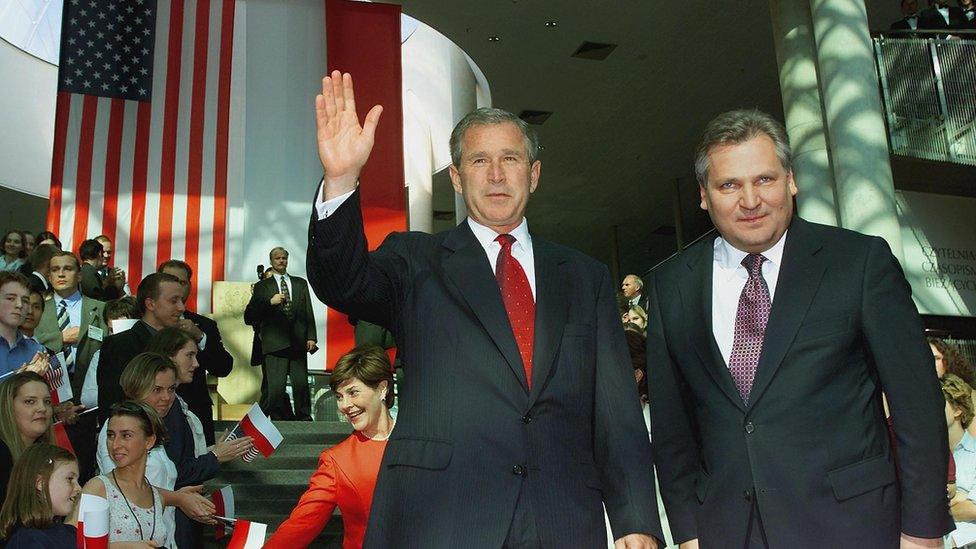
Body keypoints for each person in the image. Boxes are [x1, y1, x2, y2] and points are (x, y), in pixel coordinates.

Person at [308, 71, 660, 548]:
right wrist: (342, 177)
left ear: (533, 174)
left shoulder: (585, 277)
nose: (496, 174)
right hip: (441, 519)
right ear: (456, 176)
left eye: (510, 159)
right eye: (479, 160)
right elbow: (340, 280)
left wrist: (635, 518)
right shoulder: (414, 262)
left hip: (563, 519)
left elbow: (617, 410)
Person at [647, 109, 951, 547]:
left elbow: (916, 403)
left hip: (853, 527)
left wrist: (923, 531)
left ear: (791, 180)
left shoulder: (857, 263)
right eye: (729, 185)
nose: (750, 200)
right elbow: (673, 427)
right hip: (729, 532)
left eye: (764, 179)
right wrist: (689, 533)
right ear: (703, 195)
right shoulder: (671, 284)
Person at [96, 352, 252, 549]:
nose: (166, 397)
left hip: (164, 535)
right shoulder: (117, 429)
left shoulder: (152, 428)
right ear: (136, 388)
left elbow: (155, 481)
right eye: (157, 390)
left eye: (171, 389)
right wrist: (178, 498)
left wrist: (181, 495)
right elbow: (121, 487)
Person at [265, 345, 395, 548]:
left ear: (382, 389)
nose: (344, 405)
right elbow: (301, 525)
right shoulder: (337, 460)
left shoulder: (421, 442)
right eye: (339, 396)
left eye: (353, 392)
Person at [158, 259, 234, 445]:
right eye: (171, 280)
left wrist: (200, 337)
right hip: (154, 413)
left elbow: (223, 367)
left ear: (190, 287)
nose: (177, 286)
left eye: (182, 282)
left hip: (195, 412)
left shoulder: (204, 325)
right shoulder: (144, 324)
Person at [97, 272, 186, 423]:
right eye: (173, 301)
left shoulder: (184, 343)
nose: (182, 308)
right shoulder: (120, 345)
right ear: (150, 304)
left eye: (182, 301)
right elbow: (112, 403)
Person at [244, 247, 317, 421]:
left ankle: (305, 419)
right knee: (275, 388)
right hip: (274, 344)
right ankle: (277, 420)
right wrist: (269, 302)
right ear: (271, 261)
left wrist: (312, 336)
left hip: (298, 342)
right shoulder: (262, 286)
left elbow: (308, 311)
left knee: (301, 385)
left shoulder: (300, 283)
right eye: (277, 258)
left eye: (284, 258)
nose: (281, 261)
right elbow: (249, 316)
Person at [0, 443, 80, 547]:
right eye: (70, 479)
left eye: (77, 480)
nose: (79, 488)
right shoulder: (28, 540)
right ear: (40, 482)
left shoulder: (67, 532)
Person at [0, 372, 54, 511]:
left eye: (47, 401)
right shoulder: (3, 456)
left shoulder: (47, 456)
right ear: (8, 407)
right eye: (30, 401)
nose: (42, 408)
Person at [945, 374, 976, 547]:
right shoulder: (924, 458)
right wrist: (958, 500)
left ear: (958, 410)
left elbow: (974, 510)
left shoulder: (974, 455)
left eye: (940, 403)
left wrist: (942, 506)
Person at [0, 272, 50, 378]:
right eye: (11, 298)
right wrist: (22, 381)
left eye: (25, 300)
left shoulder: (37, 351)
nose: (19, 305)